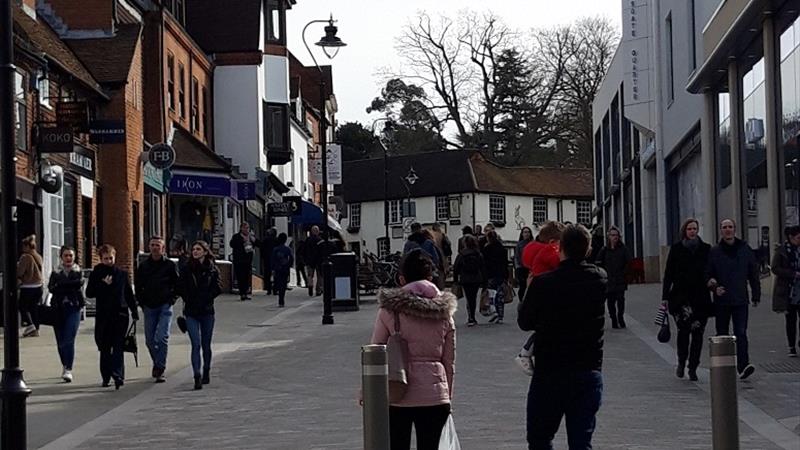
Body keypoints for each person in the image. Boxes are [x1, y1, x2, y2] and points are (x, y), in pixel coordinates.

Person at [518, 224, 607, 449]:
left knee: (540, 439)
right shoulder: (599, 279)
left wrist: (530, 289)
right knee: (581, 442)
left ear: (560, 248)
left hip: (551, 371)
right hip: (587, 368)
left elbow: (525, 322)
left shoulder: (543, 283)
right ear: (588, 250)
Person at [370, 249, 456, 449]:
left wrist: (367, 392)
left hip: (397, 391)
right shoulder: (445, 314)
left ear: (402, 279)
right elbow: (449, 362)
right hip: (435, 394)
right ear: (430, 277)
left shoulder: (389, 310)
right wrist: (447, 395)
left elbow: (376, 353)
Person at [706, 218, 760, 380]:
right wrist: (714, 287)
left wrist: (756, 294)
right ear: (721, 231)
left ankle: (743, 366)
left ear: (735, 230)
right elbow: (707, 274)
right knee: (722, 334)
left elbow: (753, 273)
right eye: (724, 227)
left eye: (730, 227)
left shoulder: (744, 249)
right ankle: (723, 366)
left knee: (741, 333)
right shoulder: (715, 252)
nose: (728, 230)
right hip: (722, 300)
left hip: (740, 299)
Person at [662, 218, 713, 381]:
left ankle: (693, 367)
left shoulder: (706, 249)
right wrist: (665, 297)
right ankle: (681, 362)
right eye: (689, 229)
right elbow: (668, 273)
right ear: (684, 231)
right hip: (681, 298)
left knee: (698, 334)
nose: (692, 231)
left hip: (700, 298)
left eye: (695, 229)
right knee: (683, 333)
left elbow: (711, 270)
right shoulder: (676, 249)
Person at [516, 222, 565, 375]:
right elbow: (563, 264)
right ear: (552, 242)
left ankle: (526, 353)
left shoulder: (535, 250)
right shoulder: (549, 252)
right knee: (545, 329)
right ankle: (525, 353)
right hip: (545, 294)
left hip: (537, 292)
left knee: (543, 330)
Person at [86, 245, 139, 390]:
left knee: (118, 346)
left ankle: (118, 375)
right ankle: (106, 376)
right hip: (104, 315)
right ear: (100, 258)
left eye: (111, 258)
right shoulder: (96, 273)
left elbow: (128, 294)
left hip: (120, 314)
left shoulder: (122, 274)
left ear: (114, 257)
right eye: (105, 258)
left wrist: (134, 311)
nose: (108, 261)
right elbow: (89, 293)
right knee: (104, 347)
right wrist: (103, 285)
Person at [178, 240, 222, 390]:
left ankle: (206, 370)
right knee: (195, 344)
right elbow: (180, 287)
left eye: (198, 249)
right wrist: (188, 297)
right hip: (191, 311)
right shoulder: (186, 269)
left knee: (206, 344)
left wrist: (206, 297)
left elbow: (218, 288)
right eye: (194, 249)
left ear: (205, 251)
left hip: (207, 311)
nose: (195, 252)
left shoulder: (212, 269)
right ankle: (196, 374)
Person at [135, 236, 179, 383]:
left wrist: (172, 299)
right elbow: (138, 285)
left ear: (163, 248)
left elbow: (177, 284)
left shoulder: (170, 266)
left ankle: (160, 368)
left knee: (162, 337)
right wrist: (141, 302)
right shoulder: (144, 266)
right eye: (152, 245)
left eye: (158, 245)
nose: (155, 248)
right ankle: (157, 362)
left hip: (164, 305)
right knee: (149, 340)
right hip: (149, 306)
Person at [47, 246, 85, 382]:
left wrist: (63, 286)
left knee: (69, 338)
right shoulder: (56, 272)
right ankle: (64, 364)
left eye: (70, 255)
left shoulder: (78, 271)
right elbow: (51, 288)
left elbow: (78, 284)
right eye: (66, 255)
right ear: (61, 257)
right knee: (60, 340)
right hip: (58, 308)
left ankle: (68, 368)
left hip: (73, 307)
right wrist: (67, 285)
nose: (68, 258)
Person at [596, 226, 632, 329]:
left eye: (616, 235)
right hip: (609, 280)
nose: (615, 237)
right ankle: (614, 319)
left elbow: (629, 262)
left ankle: (620, 316)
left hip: (620, 279)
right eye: (612, 235)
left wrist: (625, 273)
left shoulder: (623, 249)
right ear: (608, 236)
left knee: (620, 299)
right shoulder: (604, 250)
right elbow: (598, 262)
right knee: (610, 302)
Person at [772, 225, 800, 357]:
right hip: (788, 291)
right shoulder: (783, 251)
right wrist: (792, 274)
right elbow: (775, 268)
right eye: (798, 238)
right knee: (791, 319)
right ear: (791, 237)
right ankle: (791, 346)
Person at [453, 235, 485, 327]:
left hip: (465, 278)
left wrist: (456, 280)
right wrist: (484, 280)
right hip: (476, 278)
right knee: (473, 298)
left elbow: (456, 267)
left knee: (468, 297)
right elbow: (482, 267)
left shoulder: (462, 254)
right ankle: (473, 316)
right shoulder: (478, 253)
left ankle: (470, 317)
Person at [17, 235, 44, 338]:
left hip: (28, 286)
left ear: (28, 246)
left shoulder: (25, 257)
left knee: (22, 306)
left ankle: (30, 324)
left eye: (24, 246)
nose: (22, 249)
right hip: (39, 286)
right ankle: (36, 329)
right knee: (33, 308)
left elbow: (20, 271)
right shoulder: (38, 256)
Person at [482, 230, 508, 324]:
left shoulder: (486, 249)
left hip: (490, 274)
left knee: (491, 295)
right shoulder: (502, 249)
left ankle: (494, 312)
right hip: (500, 274)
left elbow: (484, 263)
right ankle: (500, 315)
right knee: (500, 295)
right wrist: (506, 275)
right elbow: (505, 263)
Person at [230, 223, 258, 300]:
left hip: (248, 260)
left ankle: (245, 293)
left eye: (248, 228)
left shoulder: (250, 237)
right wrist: (242, 241)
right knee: (240, 277)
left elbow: (257, 244)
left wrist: (254, 240)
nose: (246, 229)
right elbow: (232, 244)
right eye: (245, 228)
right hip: (239, 260)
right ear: (241, 228)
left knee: (246, 277)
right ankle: (242, 293)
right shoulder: (236, 236)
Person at [271, 233, 294, 308]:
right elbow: (291, 259)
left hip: (277, 269)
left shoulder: (275, 249)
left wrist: (273, 268)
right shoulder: (287, 249)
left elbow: (273, 260)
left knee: (278, 282)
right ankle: (281, 299)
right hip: (285, 269)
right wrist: (289, 265)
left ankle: (279, 296)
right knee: (283, 285)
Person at [515, 227, 534, 300]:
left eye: (528, 232)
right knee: (522, 286)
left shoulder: (532, 243)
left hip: (531, 268)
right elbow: (517, 256)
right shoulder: (519, 244)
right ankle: (522, 301)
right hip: (522, 268)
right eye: (525, 232)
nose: (527, 234)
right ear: (522, 234)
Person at [304, 226, 323, 297]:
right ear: (317, 231)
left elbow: (304, 250)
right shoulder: (320, 240)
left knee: (310, 275)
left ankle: (310, 287)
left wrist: (305, 259)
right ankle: (318, 290)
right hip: (318, 260)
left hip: (309, 260)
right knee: (319, 276)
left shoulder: (308, 240)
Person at [260, 228, 278, 295]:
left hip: (267, 259)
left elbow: (262, 249)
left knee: (267, 274)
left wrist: (263, 257)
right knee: (276, 274)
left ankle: (268, 289)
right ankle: (275, 289)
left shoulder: (265, 240)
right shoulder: (277, 240)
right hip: (275, 259)